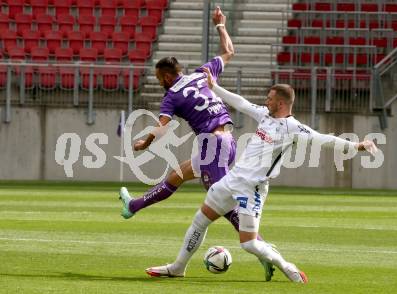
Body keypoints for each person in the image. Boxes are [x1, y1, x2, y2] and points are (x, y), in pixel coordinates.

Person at [145, 67, 378, 282]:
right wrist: (214, 87)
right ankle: (178, 267)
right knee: (200, 220)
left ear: (280, 103)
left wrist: (357, 146)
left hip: (253, 188)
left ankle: (287, 266)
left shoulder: (292, 128)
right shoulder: (265, 115)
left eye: (269, 98)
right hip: (232, 180)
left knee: (249, 244)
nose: (265, 101)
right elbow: (242, 103)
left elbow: (324, 140)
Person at [119, 6, 276, 280]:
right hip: (224, 142)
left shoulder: (171, 97)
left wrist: (144, 142)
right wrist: (220, 25)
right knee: (177, 175)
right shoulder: (202, 73)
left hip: (213, 147)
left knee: (221, 205)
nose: (159, 83)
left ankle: (261, 249)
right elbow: (229, 51)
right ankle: (134, 206)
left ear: (167, 76)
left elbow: (163, 126)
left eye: (159, 79)